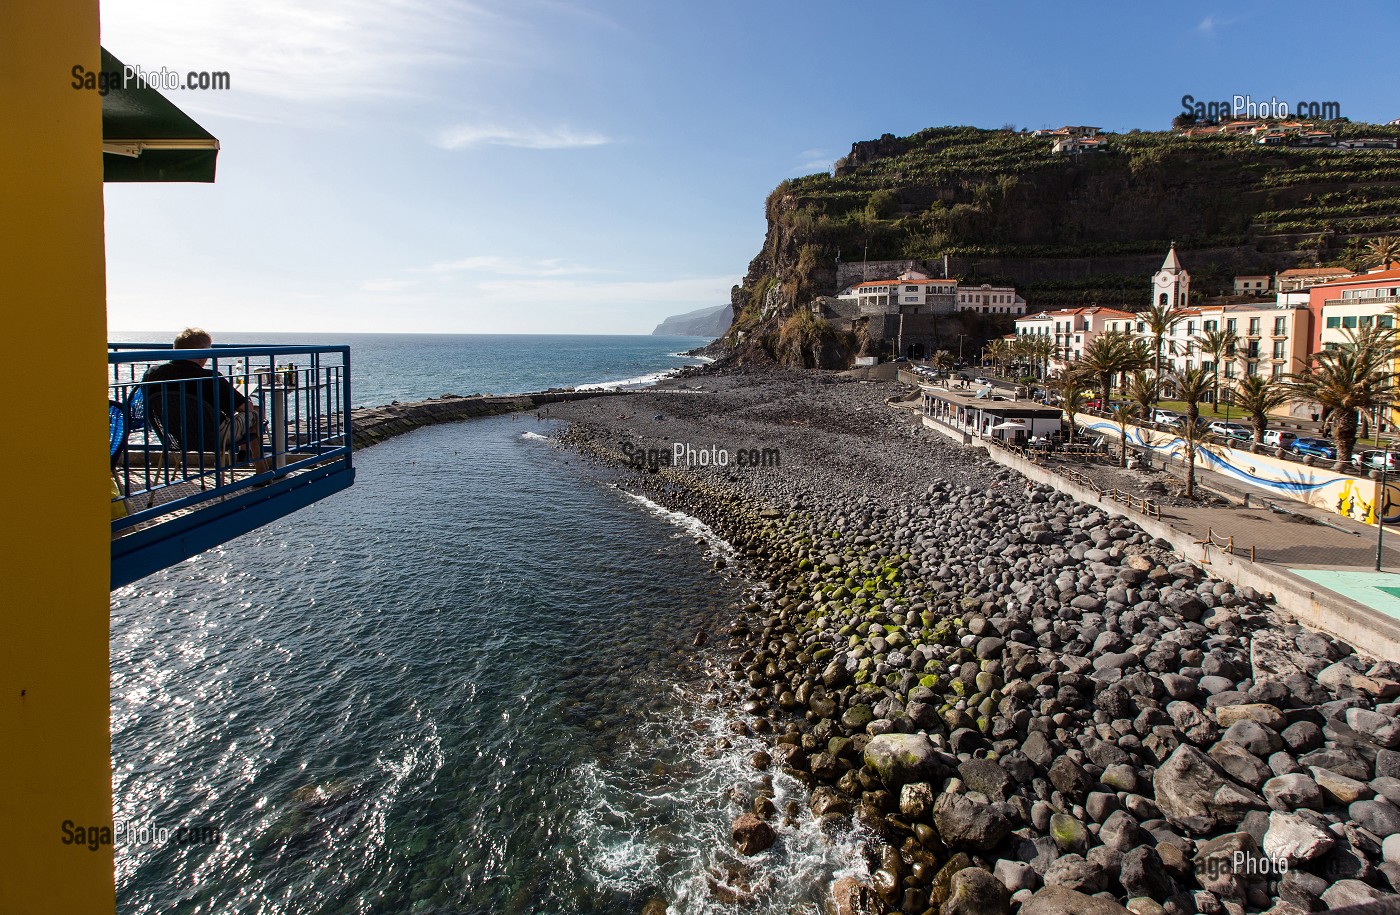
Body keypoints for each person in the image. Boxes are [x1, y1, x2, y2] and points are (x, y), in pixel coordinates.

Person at [142, 328, 264, 462]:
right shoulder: (208, 378)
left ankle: (245, 454)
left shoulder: (152, 374)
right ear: (202, 352)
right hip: (214, 437)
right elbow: (245, 407)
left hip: (174, 435)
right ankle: (258, 467)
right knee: (256, 412)